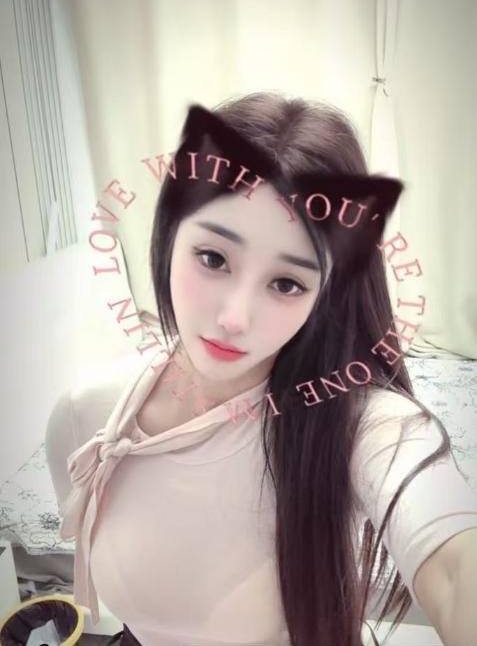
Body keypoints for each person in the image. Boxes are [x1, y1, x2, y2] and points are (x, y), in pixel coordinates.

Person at [46, 92, 477, 646]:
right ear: (169, 237)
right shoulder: (85, 419)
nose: (234, 318)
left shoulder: (355, 423)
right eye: (213, 258)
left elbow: (455, 568)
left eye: (286, 283)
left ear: (325, 295)